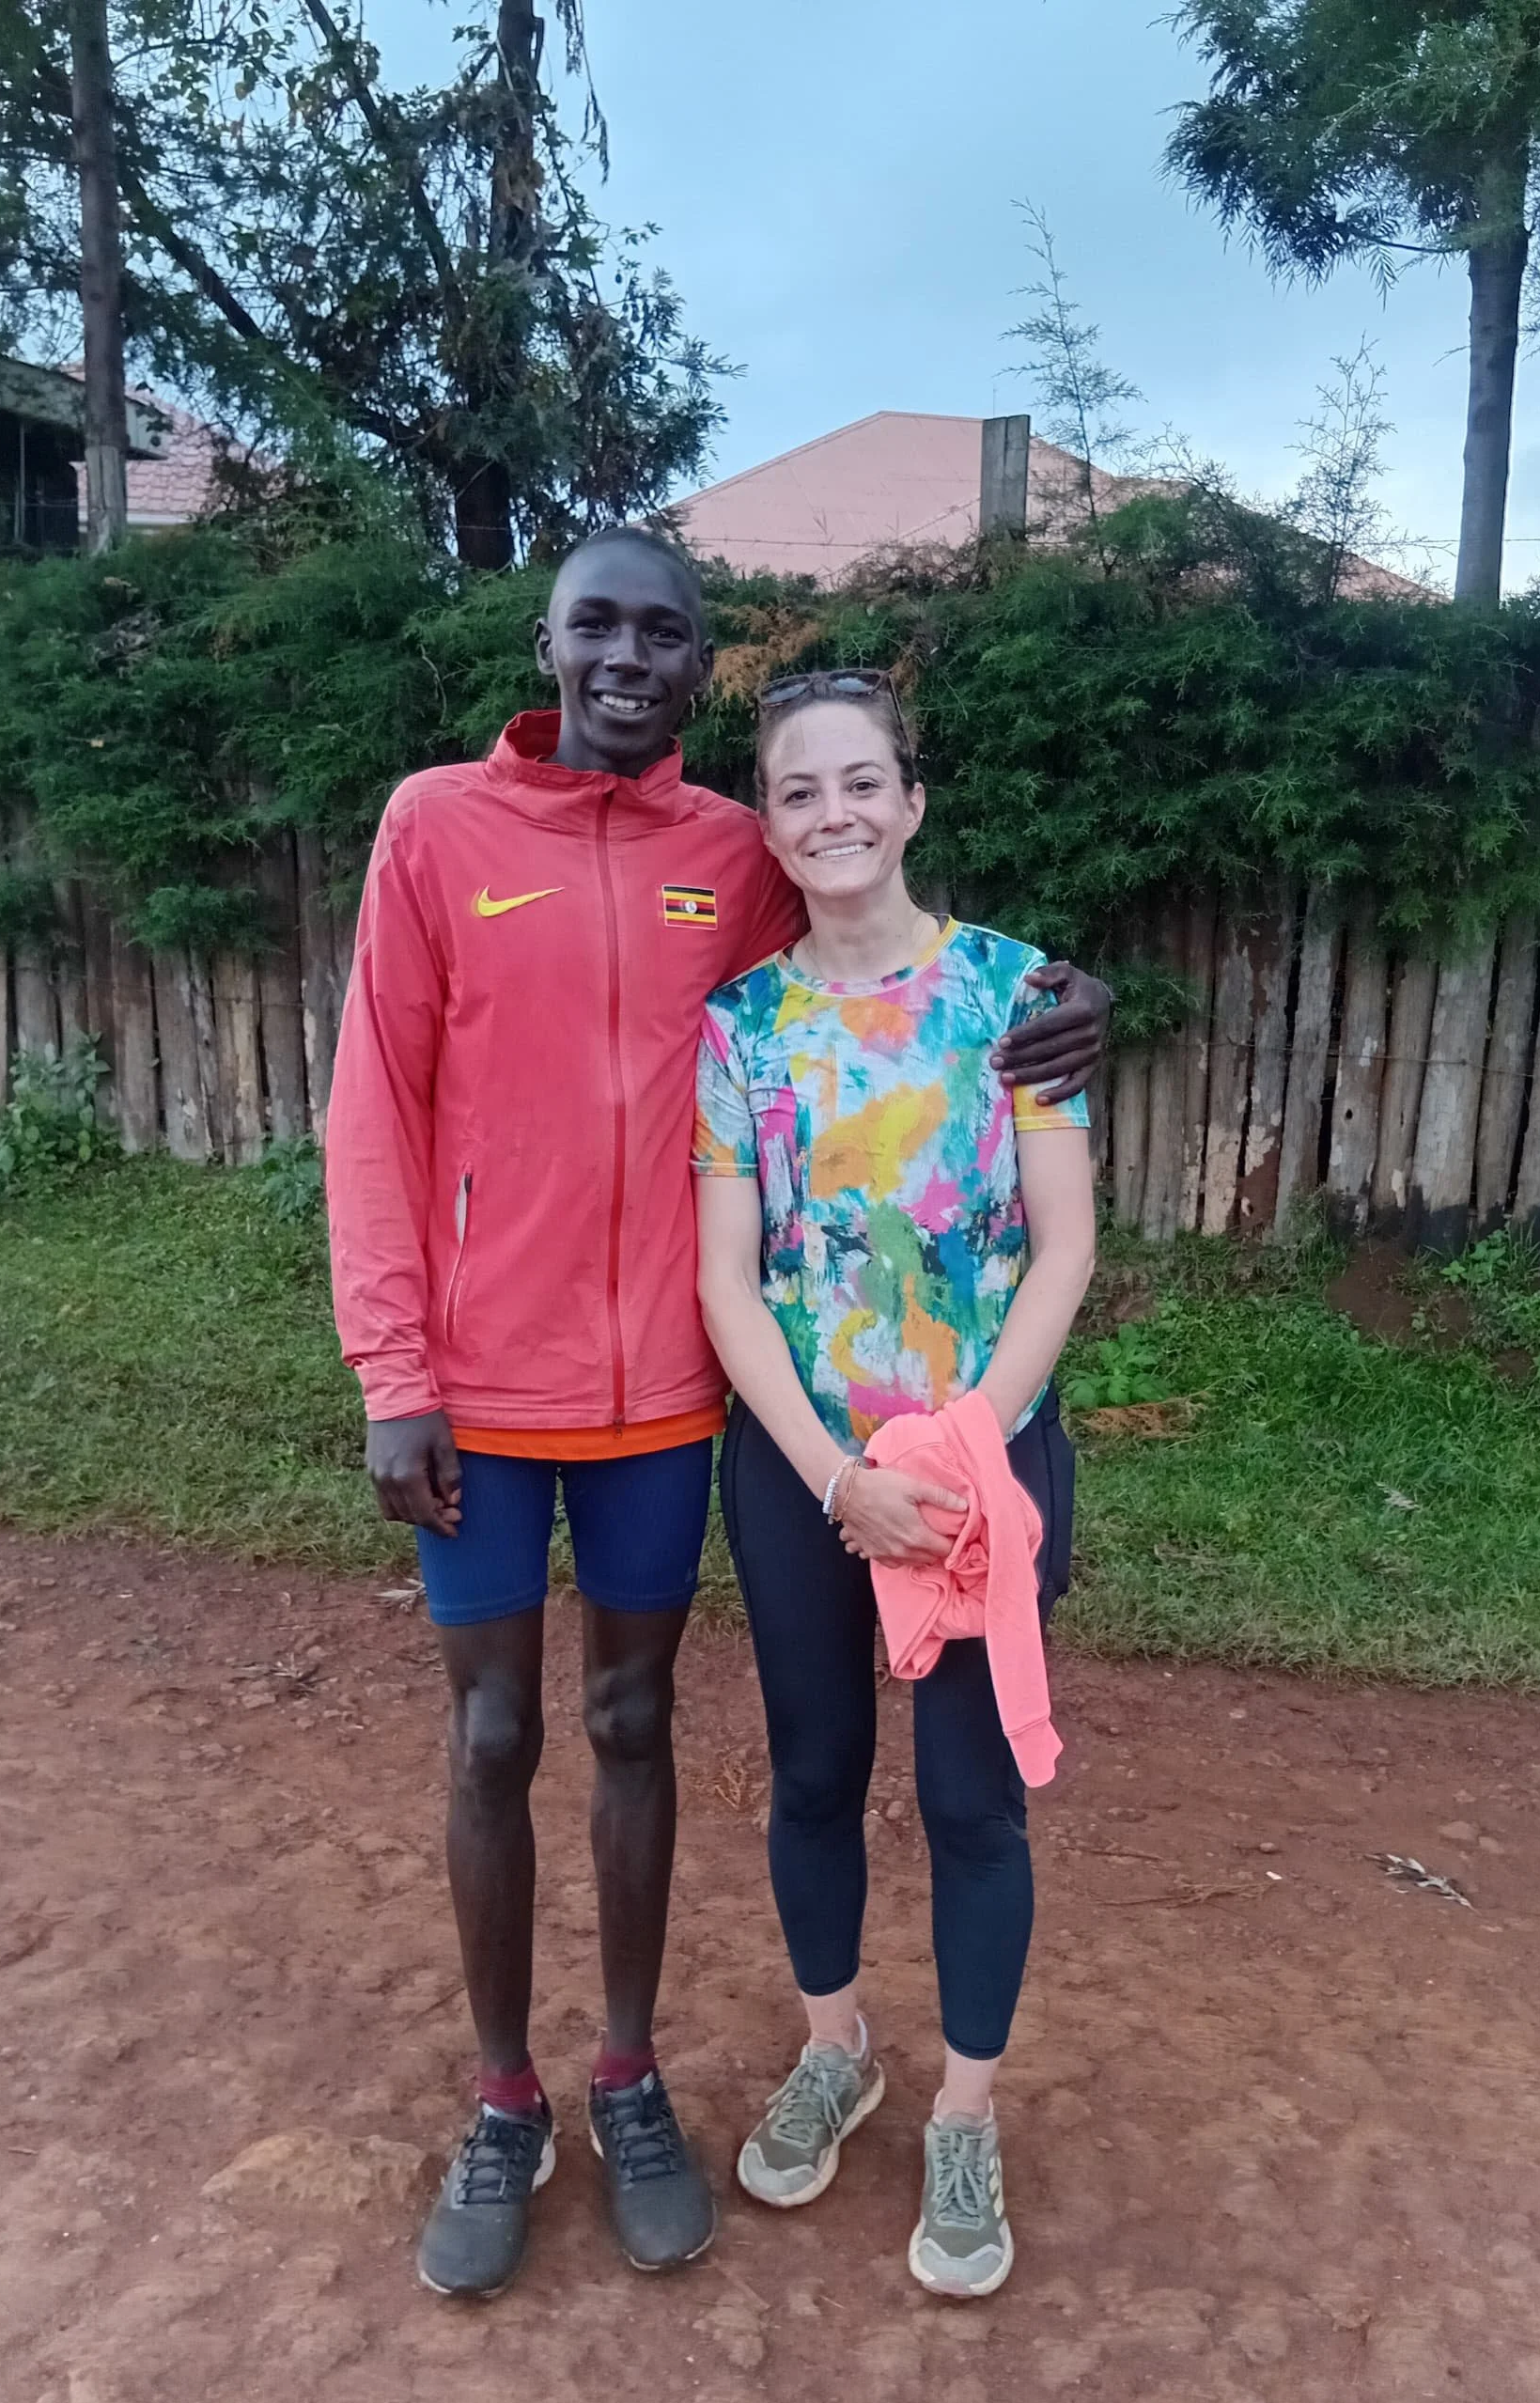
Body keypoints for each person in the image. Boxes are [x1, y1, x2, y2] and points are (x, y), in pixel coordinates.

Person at [323, 530, 1109, 2301]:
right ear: (548, 638)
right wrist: (394, 1374)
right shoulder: (434, 826)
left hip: (676, 1410)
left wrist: (1078, 999)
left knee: (633, 1724)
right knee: (494, 1742)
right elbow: (373, 1105)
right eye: (594, 622)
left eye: (662, 633)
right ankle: (508, 2098)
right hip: (513, 1396)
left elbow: (917, 966)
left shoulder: (728, 860)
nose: (625, 656)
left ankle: (630, 2077)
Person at [693, 668, 1098, 2300]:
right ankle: (837, 2045)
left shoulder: (1023, 997)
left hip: (984, 1468)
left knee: (967, 1798)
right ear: (772, 823)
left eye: (864, 782)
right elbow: (733, 1280)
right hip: (803, 1469)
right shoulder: (739, 1029)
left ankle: (969, 2111)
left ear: (913, 802)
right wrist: (840, 1477)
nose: (835, 813)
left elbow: (1065, 1241)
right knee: (811, 1773)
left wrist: (964, 1448)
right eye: (800, 791)